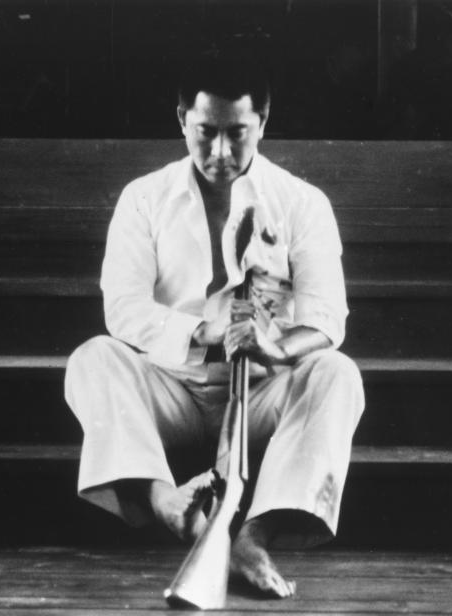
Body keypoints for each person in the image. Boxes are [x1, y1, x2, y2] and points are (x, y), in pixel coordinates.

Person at [64, 59, 364, 598]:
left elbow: (327, 318)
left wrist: (275, 347)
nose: (221, 151)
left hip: (262, 393)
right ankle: (168, 504)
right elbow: (123, 308)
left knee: (338, 374)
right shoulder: (144, 197)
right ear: (182, 119)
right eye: (206, 132)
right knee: (93, 358)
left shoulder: (303, 203)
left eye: (237, 133)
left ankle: (253, 536)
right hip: (172, 387)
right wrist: (205, 331)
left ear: (263, 122)